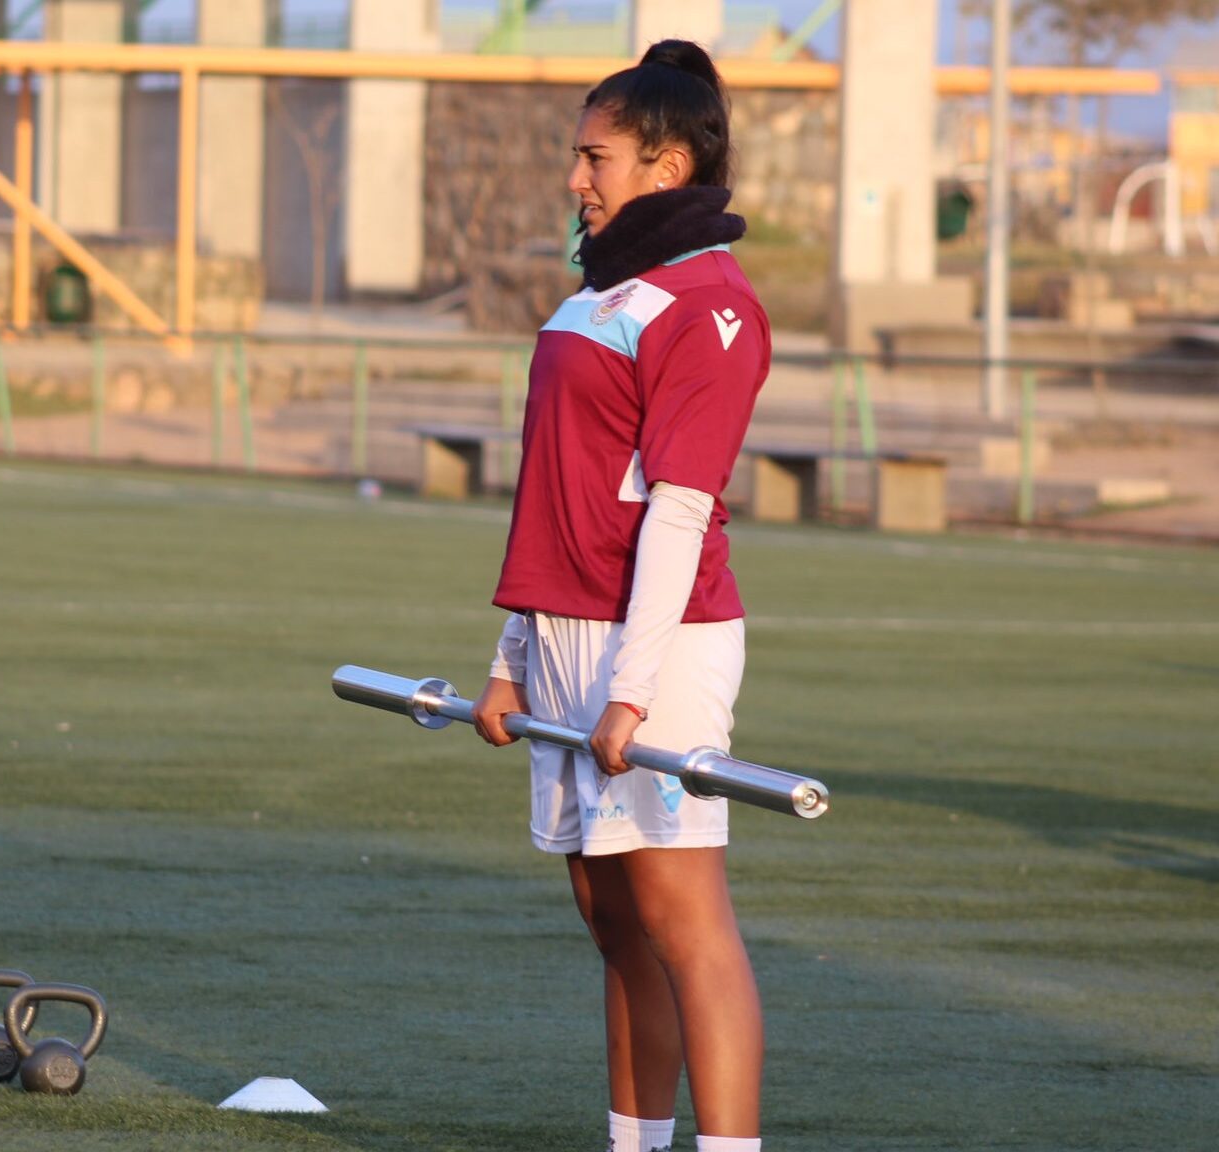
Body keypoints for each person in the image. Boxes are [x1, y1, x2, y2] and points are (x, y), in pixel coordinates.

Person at [471, 40, 771, 1152]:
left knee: (682, 923)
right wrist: (511, 656)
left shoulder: (710, 304)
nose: (574, 178)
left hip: (660, 643)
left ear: (665, 164)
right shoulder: (597, 295)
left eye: (593, 157)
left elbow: (677, 513)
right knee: (612, 925)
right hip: (560, 633)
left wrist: (631, 693)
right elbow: (555, 496)